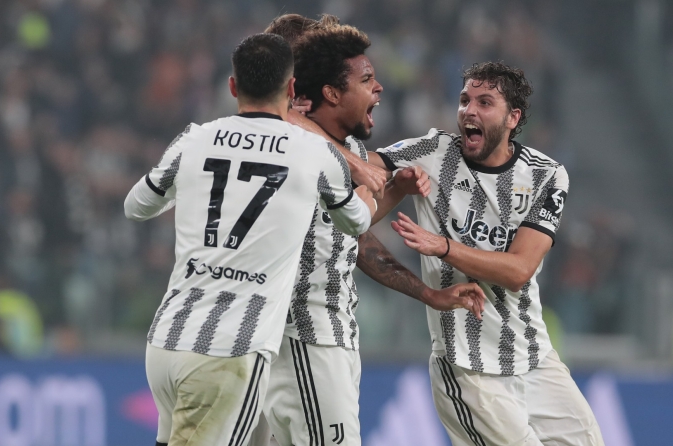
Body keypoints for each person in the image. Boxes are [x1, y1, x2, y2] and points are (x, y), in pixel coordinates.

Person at [123, 33, 376, 446]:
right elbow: (356, 223)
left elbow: (136, 206)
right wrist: (368, 194)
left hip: (167, 342)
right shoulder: (313, 153)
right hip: (231, 349)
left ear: (232, 86)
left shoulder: (194, 138)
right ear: (292, 88)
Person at [252, 17, 487, 446]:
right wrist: (354, 165)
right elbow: (280, 118)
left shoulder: (352, 150)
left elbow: (351, 237)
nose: (378, 88)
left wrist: (427, 291)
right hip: (303, 334)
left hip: (330, 333)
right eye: (365, 79)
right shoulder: (283, 141)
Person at [378, 62, 604, 445]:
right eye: (464, 100)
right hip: (468, 369)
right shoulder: (433, 151)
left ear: (512, 118)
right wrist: (391, 181)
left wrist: (444, 246)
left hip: (534, 359)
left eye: (485, 102)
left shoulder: (547, 175)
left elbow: (519, 270)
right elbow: (363, 163)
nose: (469, 110)